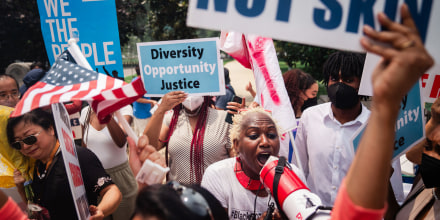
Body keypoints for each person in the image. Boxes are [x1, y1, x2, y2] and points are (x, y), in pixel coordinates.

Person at [330, 3, 434, 219]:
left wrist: (386, 108)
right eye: (434, 117)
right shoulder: (425, 186)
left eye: (348, 80)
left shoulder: (378, 130)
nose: (431, 135)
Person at [8, 108, 122, 220]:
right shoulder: (36, 165)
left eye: (29, 138)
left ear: (50, 128)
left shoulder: (76, 157)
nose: (25, 147)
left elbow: (111, 190)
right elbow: (37, 206)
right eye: (18, 144)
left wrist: (100, 210)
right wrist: (21, 188)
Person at [294, 51, 370, 206]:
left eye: (348, 80)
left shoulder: (377, 127)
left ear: (362, 85)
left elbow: (391, 190)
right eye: (334, 79)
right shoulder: (310, 117)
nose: (340, 84)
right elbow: (298, 171)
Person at [201, 107, 306, 219]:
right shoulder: (218, 175)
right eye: (254, 136)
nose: (265, 142)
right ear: (237, 145)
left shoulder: (293, 174)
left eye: (271, 135)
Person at [143, 91, 232, 184]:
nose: (190, 94)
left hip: (214, 195)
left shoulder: (225, 119)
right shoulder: (171, 119)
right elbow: (149, 146)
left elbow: (237, 161)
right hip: (179, 194)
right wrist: (160, 110)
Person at [80, 104, 136, 220]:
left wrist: (105, 111)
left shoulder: (124, 108)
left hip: (121, 177)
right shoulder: (85, 111)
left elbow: (121, 141)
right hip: (96, 178)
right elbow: (84, 145)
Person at [132, 66, 157, 136]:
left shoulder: (134, 80)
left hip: (139, 113)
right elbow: (137, 99)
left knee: (138, 134)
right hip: (143, 115)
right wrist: (151, 101)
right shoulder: (138, 82)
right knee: (144, 136)